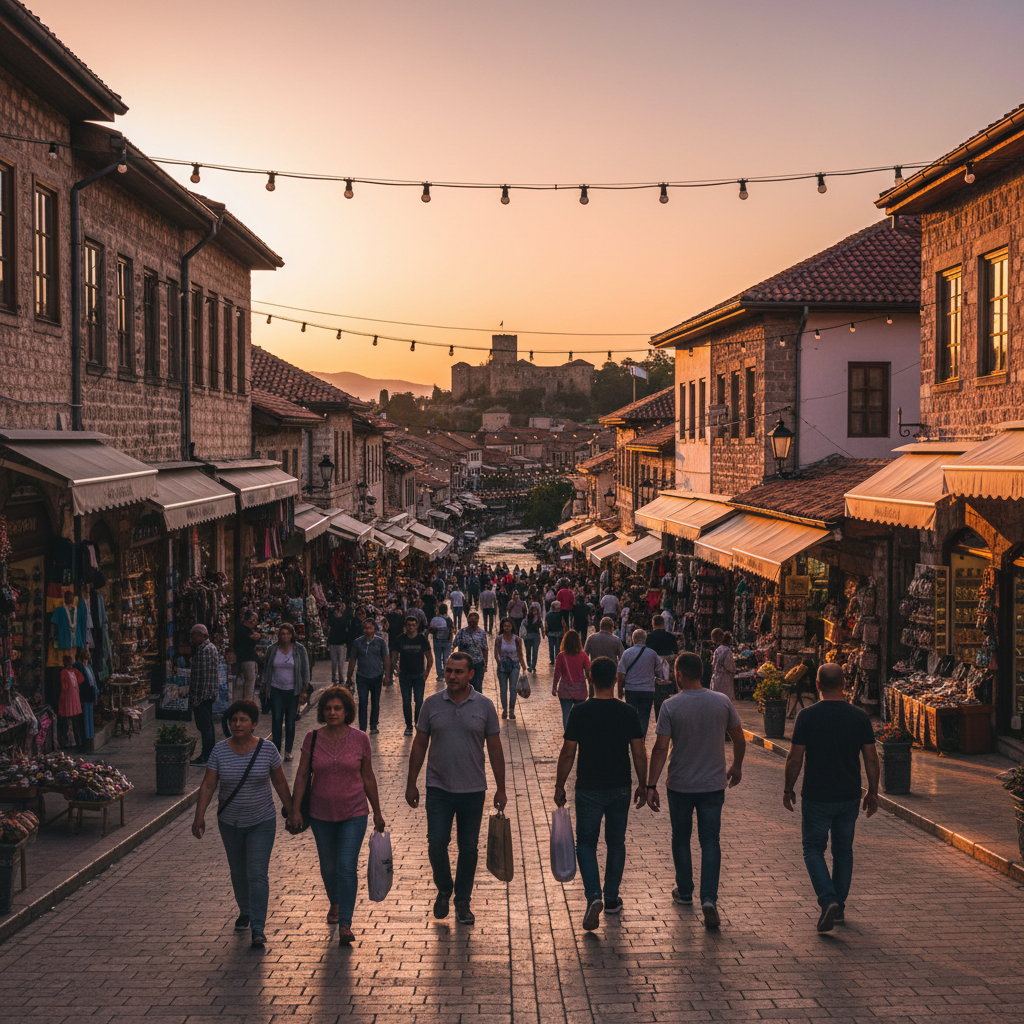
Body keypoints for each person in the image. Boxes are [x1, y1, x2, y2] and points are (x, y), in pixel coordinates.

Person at [406, 651, 506, 926]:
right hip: (438, 787)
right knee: (437, 843)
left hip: (473, 789)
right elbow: (419, 744)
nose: (451, 676)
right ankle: (444, 887)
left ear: (470, 674)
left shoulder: (485, 706)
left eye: (458, 672)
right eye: (448, 670)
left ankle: (462, 900)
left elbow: (495, 749)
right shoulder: (431, 704)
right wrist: (411, 782)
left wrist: (501, 788)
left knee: (469, 848)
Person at [646, 652, 745, 930]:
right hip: (713, 785)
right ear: (701, 672)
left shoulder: (670, 706)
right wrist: (736, 765)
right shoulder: (721, 701)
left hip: (680, 786)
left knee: (681, 837)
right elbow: (739, 737)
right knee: (710, 840)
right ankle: (709, 898)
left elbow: (660, 748)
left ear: (678, 675)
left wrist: (651, 784)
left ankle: (685, 890)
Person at [783, 663, 879, 933]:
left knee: (813, 849)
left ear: (817, 685)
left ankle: (828, 901)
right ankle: (838, 906)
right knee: (843, 851)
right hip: (849, 794)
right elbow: (871, 757)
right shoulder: (859, 717)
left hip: (817, 795)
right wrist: (873, 792)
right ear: (844, 683)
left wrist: (787, 789)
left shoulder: (807, 716)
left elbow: (794, 758)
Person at [554, 656, 647, 930]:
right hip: (620, 786)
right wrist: (644, 784)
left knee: (585, 843)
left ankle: (593, 894)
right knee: (616, 843)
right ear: (615, 679)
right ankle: (611, 897)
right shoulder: (628, 712)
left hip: (588, 788)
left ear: (590, 679)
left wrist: (560, 786)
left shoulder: (579, 712)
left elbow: (568, 752)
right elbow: (639, 753)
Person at [288, 687, 386, 945]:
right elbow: (301, 775)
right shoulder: (313, 738)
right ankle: (335, 901)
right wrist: (295, 809)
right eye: (328, 709)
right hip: (320, 813)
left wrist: (377, 812)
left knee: (345, 866)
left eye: (337, 708)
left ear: (347, 711)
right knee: (329, 867)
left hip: (354, 811)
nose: (332, 713)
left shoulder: (360, 739)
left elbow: (368, 776)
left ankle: (346, 922)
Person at [192, 699, 293, 947]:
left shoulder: (268, 750)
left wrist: (292, 811)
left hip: (262, 821)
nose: (237, 724)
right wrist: (199, 815)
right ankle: (245, 910)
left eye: (243, 720)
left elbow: (280, 782)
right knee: (238, 872)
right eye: (233, 720)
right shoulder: (219, 751)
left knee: (257, 873)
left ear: (254, 724)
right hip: (230, 822)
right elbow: (208, 784)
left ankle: (258, 927)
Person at [261, 623, 311, 761]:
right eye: (282, 634)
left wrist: (305, 687)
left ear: (292, 635)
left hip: (293, 690)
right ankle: (276, 751)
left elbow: (305, 669)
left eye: (288, 634)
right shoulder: (272, 649)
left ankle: (288, 750)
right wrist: (264, 684)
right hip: (276, 688)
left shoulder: (299, 650)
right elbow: (267, 668)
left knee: (290, 721)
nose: (285, 636)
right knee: (276, 720)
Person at [346, 619, 391, 735]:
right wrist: (349, 676)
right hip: (362, 677)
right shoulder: (357, 642)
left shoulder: (380, 642)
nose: (367, 630)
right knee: (363, 701)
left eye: (369, 628)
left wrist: (387, 675)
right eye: (365, 628)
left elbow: (386, 658)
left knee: (375, 702)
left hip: (376, 676)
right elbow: (352, 659)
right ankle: (362, 727)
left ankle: (374, 725)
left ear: (374, 629)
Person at [615, 629, 662, 738]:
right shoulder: (652, 654)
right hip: (647, 690)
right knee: (644, 717)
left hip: (631, 690)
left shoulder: (627, 653)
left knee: (631, 716)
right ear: (645, 639)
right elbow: (659, 672)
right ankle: (641, 741)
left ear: (633, 639)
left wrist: (619, 690)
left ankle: (631, 740)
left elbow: (621, 673)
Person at [394, 616, 433, 736]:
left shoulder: (422, 639)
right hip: (405, 675)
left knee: (419, 701)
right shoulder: (400, 639)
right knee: (406, 702)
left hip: (418, 675)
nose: (411, 627)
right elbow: (394, 656)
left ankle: (418, 724)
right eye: (408, 625)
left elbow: (429, 657)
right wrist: (396, 668)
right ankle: (408, 726)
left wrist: (427, 671)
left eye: (413, 625)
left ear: (417, 625)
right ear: (405, 626)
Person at [189, 623, 220, 766]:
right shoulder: (208, 648)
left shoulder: (204, 650)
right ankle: (208, 754)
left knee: (205, 725)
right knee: (207, 725)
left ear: (202, 635)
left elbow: (201, 676)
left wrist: (197, 698)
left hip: (204, 694)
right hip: (207, 693)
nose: (192, 638)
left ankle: (207, 756)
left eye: (194, 635)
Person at [552, 629, 591, 730]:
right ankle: (579, 733)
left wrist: (554, 687)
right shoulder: (583, 655)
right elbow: (589, 671)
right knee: (580, 714)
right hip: (580, 689)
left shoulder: (561, 656)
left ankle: (568, 736)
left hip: (565, 688)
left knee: (566, 714)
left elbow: (557, 673)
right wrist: (591, 685)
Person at [493, 617, 527, 721]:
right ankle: (505, 709)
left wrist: (523, 665)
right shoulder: (499, 639)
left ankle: (511, 709)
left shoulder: (517, 639)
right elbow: (496, 653)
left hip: (514, 665)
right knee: (503, 689)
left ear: (512, 627)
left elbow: (520, 653)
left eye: (508, 626)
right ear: (502, 627)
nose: (507, 628)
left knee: (513, 688)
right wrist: (499, 662)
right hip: (502, 666)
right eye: (505, 626)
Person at [646, 615, 680, 720]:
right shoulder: (671, 636)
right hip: (669, 670)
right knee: (670, 692)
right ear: (663, 624)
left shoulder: (649, 637)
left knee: (658, 695)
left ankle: (659, 717)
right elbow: (676, 651)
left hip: (655, 670)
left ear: (653, 624)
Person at [583, 617, 625, 692]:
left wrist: (587, 673)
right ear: (611, 628)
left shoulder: (591, 638)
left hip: (595, 672)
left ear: (600, 626)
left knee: (593, 697)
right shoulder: (616, 640)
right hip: (610, 673)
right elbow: (623, 658)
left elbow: (584, 657)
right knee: (608, 696)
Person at [454, 610, 489, 693]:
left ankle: (477, 704)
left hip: (478, 663)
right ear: (468, 621)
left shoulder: (481, 633)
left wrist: (485, 663)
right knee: (465, 686)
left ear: (478, 621)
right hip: (464, 664)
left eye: (475, 620)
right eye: (471, 620)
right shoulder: (462, 632)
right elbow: (454, 644)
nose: (472, 622)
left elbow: (485, 649)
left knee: (477, 686)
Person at [234, 610, 260, 700]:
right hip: (247, 659)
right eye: (254, 619)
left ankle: (245, 701)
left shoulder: (244, 630)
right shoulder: (243, 630)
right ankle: (247, 702)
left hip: (247, 658)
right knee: (249, 682)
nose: (254, 622)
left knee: (246, 682)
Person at [428, 603, 455, 683]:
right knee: (446, 657)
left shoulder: (435, 619)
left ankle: (440, 675)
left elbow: (431, 630)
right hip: (447, 641)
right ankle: (447, 673)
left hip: (437, 641)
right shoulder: (449, 619)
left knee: (438, 658)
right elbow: (452, 630)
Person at [710, 628, 737, 703]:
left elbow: (713, 664)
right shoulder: (727, 651)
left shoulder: (717, 650)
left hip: (716, 678)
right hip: (724, 680)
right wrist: (734, 670)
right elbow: (729, 665)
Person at [521, 606, 544, 672]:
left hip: (536, 637)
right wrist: (523, 635)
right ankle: (529, 665)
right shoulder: (526, 619)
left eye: (536, 611)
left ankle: (533, 666)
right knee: (528, 651)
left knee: (535, 651)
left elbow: (541, 627)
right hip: (528, 637)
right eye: (533, 611)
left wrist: (543, 634)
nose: (534, 612)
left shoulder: (539, 619)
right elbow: (523, 626)